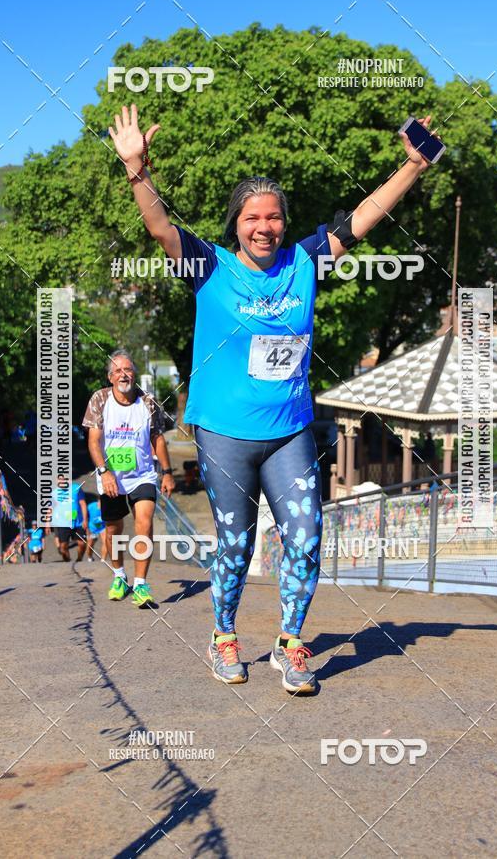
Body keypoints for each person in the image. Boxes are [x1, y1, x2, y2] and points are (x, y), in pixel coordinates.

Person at [109, 104, 434, 692]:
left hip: (288, 431)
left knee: (306, 536)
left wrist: (411, 167)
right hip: (225, 434)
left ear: (286, 222)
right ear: (237, 223)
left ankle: (290, 642)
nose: (265, 227)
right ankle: (224, 635)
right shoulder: (208, 264)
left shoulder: (304, 262)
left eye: (275, 218)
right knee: (234, 543)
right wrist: (137, 170)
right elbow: (159, 226)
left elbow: (365, 217)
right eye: (253, 218)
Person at [82, 350, 175, 607]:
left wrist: (167, 473)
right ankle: (120, 575)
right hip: (111, 476)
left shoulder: (148, 403)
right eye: (118, 371)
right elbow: (94, 442)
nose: (124, 375)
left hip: (142, 475)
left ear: (133, 374)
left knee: (143, 522)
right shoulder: (100, 400)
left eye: (128, 370)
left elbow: (157, 438)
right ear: (110, 377)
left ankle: (141, 584)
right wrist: (104, 471)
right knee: (114, 529)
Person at [51, 474, 89, 562]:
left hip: (78, 522)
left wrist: (85, 520)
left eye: (64, 479)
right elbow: (51, 508)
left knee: (82, 543)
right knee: (63, 546)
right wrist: (48, 523)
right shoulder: (54, 492)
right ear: (56, 481)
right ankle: (67, 562)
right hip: (62, 523)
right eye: (59, 480)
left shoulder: (76, 488)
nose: (62, 481)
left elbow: (83, 504)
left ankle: (79, 559)